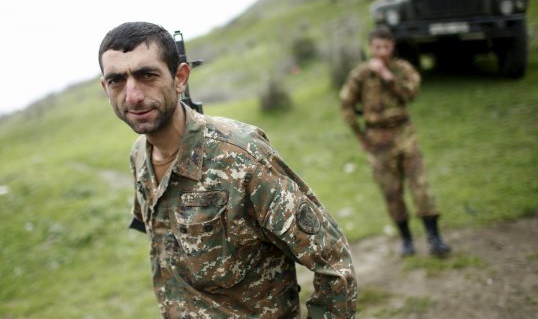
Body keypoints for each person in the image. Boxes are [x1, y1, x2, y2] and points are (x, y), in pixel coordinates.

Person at [98, 21, 357, 318]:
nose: (132, 95)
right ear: (106, 89)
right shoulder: (139, 157)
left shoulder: (240, 156)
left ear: (180, 77)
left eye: (147, 75)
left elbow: (335, 263)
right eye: (117, 80)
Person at [339, 27, 451, 257]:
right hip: (377, 141)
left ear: (393, 47)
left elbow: (411, 94)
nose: (381, 52)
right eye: (377, 47)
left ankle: (434, 238)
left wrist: (389, 78)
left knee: (420, 187)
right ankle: (407, 241)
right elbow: (346, 105)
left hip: (404, 135)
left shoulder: (402, 69)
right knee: (391, 192)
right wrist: (360, 137)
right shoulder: (360, 74)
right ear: (371, 47)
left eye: (386, 47)